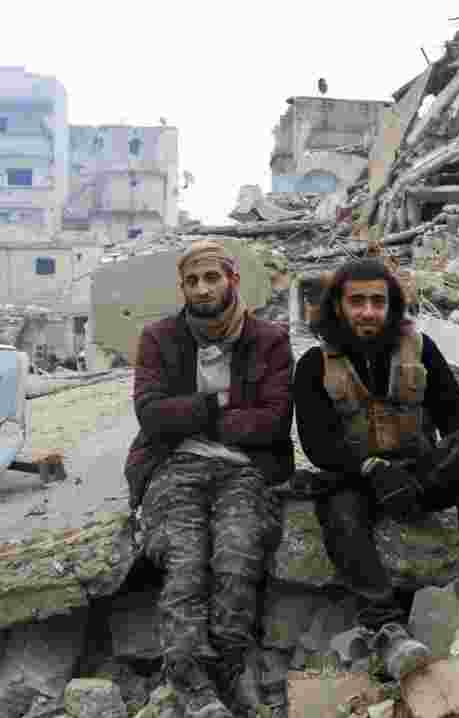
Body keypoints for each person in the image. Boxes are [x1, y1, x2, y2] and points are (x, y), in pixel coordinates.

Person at [293, 258, 459, 681]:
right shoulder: (314, 364)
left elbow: (458, 414)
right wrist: (371, 469)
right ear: (338, 306)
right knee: (339, 512)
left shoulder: (420, 348)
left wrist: (457, 446)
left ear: (391, 306)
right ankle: (385, 627)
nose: (368, 312)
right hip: (360, 478)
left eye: (377, 301)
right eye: (357, 302)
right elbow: (318, 444)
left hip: (420, 470)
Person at [125, 239, 294, 718]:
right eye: (193, 281)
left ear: (232, 280)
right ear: (182, 288)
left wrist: (194, 416)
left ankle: (228, 669)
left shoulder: (270, 339)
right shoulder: (159, 337)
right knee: (185, 560)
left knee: (237, 556)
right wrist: (220, 405)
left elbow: (275, 420)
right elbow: (151, 416)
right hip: (172, 464)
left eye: (212, 277)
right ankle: (188, 676)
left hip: (244, 468)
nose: (203, 289)